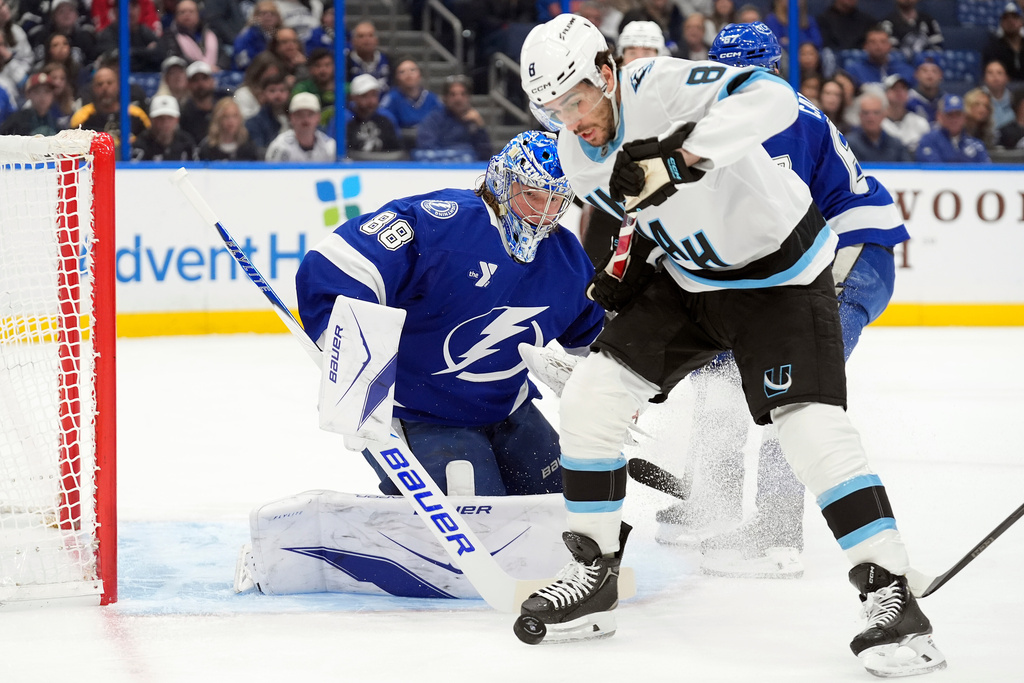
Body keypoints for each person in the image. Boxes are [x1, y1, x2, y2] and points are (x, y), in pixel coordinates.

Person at [516, 15, 944, 677]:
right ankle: (593, 575)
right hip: (692, 283)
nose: (571, 120)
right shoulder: (578, 153)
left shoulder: (658, 84)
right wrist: (634, 261)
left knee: (809, 428)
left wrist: (682, 157)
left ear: (606, 73)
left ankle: (892, 594)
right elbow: (652, 211)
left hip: (782, 278)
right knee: (592, 398)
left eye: (575, 100)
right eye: (552, 109)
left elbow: (771, 99)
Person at [649, 21, 908, 581]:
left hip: (850, 259)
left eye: (747, 72)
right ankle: (710, 500)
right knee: (725, 375)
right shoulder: (752, 113)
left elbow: (776, 226)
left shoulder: (779, 118)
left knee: (792, 386)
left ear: (768, 69)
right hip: (831, 254)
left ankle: (776, 531)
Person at [295, 130, 603, 499]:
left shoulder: (566, 259)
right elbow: (338, 265)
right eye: (534, 195)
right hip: (419, 413)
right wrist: (352, 365)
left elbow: (593, 336)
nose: (544, 213)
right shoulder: (443, 223)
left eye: (557, 200)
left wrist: (609, 385)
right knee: (475, 514)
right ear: (503, 183)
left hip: (509, 409)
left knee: (567, 503)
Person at [69, 66, 150, 155]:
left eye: (109, 83)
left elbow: (149, 142)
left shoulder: (136, 114)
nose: (105, 88)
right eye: (100, 84)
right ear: (93, 88)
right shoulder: (81, 117)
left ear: (118, 86)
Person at [414, 74, 492, 162]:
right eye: (453, 94)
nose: (458, 99)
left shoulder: (474, 121)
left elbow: (486, 156)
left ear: (469, 97)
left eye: (463, 94)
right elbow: (427, 148)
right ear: (445, 98)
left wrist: (480, 126)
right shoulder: (433, 119)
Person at [379, 57, 442, 146]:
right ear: (397, 78)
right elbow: (384, 121)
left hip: (429, 142)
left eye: (412, 70)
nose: (408, 75)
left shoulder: (432, 98)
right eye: (402, 72)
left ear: (420, 75)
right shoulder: (391, 98)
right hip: (401, 144)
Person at [156, 0, 230, 72]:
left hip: (214, 74)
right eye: (182, 12)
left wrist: (219, 66)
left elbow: (223, 55)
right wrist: (203, 69)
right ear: (176, 16)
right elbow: (177, 59)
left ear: (198, 14)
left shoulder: (210, 34)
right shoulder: (170, 36)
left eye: (191, 11)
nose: (187, 15)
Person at [916, 93, 991, 163]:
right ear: (939, 116)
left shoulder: (976, 145)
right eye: (950, 114)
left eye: (958, 114)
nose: (954, 119)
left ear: (964, 117)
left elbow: (987, 172)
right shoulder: (928, 141)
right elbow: (934, 170)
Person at [265, 91, 335, 161]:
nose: (305, 119)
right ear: (291, 117)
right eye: (299, 114)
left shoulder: (329, 146)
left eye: (310, 114)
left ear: (318, 117)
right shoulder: (279, 146)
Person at [845, 89, 911, 162]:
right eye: (866, 113)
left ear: (884, 115)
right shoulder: (848, 144)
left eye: (876, 113)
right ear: (860, 115)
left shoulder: (896, 145)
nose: (871, 118)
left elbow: (907, 170)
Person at [95, 0, 161, 73]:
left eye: (134, 6)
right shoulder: (108, 34)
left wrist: (131, 53)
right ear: (116, 11)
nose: (130, 12)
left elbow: (160, 54)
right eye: (126, 7)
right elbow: (114, 60)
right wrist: (146, 52)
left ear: (140, 9)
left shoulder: (144, 31)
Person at [844, 24, 915, 90]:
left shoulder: (905, 70)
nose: (878, 46)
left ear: (890, 46)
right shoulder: (854, 70)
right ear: (865, 46)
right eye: (872, 42)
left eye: (883, 42)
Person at [345, 72, 400, 155]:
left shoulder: (387, 117)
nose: (371, 101)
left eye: (374, 95)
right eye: (364, 96)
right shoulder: (343, 119)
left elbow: (398, 151)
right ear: (353, 98)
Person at [130, 93, 196, 161]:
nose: (165, 123)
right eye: (160, 118)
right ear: (151, 120)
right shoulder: (140, 145)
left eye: (170, 118)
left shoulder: (187, 143)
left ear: (177, 120)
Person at [245, 70, 290, 157]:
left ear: (288, 93)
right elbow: (259, 152)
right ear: (263, 94)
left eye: (282, 90)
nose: (278, 95)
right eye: (272, 91)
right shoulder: (254, 123)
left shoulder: (296, 117)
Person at [881, 73, 929, 153]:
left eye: (903, 88)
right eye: (894, 88)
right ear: (886, 93)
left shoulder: (920, 122)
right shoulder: (878, 123)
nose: (899, 92)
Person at [178, 60, 222, 147]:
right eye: (195, 80)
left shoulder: (223, 109)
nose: (200, 84)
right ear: (188, 84)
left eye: (204, 78)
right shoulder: (183, 113)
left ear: (212, 81)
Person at [0, 70, 58, 135]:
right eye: (37, 91)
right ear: (28, 94)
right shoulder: (16, 120)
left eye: (47, 91)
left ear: (53, 95)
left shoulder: (56, 122)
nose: (42, 96)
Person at [233, 51, 285, 120]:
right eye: (268, 76)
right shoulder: (243, 94)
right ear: (258, 74)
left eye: (275, 76)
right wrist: (264, 107)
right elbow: (246, 124)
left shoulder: (281, 94)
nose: (271, 81)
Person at [619, 0, 683, 56]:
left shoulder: (675, 13)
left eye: (646, 53)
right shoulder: (633, 15)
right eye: (632, 53)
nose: (639, 57)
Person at [232, 0, 281, 72]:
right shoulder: (246, 36)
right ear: (256, 16)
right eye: (263, 13)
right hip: (250, 73)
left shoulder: (281, 34)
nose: (268, 16)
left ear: (278, 17)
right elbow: (243, 63)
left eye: (272, 13)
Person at [0, 0, 33, 106]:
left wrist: (8, 57)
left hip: (20, 96)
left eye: (4, 5)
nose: (3, 10)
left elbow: (24, 82)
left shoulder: (16, 32)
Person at [982, 3, 1024, 83]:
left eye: (1014, 17)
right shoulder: (992, 47)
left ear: (1021, 22)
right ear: (1001, 23)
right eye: (1005, 18)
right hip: (1002, 88)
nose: (1010, 21)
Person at [292, 46, 334, 125]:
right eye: (318, 66)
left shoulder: (343, 89)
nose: (323, 70)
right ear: (310, 68)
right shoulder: (302, 88)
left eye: (327, 65)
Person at [345, 20, 390, 94]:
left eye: (370, 35)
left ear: (376, 40)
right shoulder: (345, 63)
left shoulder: (388, 60)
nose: (366, 40)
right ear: (353, 41)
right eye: (361, 36)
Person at [907, 51, 944, 123]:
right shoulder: (907, 99)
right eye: (924, 70)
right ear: (916, 74)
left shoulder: (945, 101)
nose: (929, 74)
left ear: (941, 75)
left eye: (934, 71)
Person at [982, 59, 1015, 130]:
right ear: (984, 78)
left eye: (999, 73)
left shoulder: (1015, 99)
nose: (995, 76)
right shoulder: (976, 98)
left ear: (1007, 78)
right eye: (990, 73)